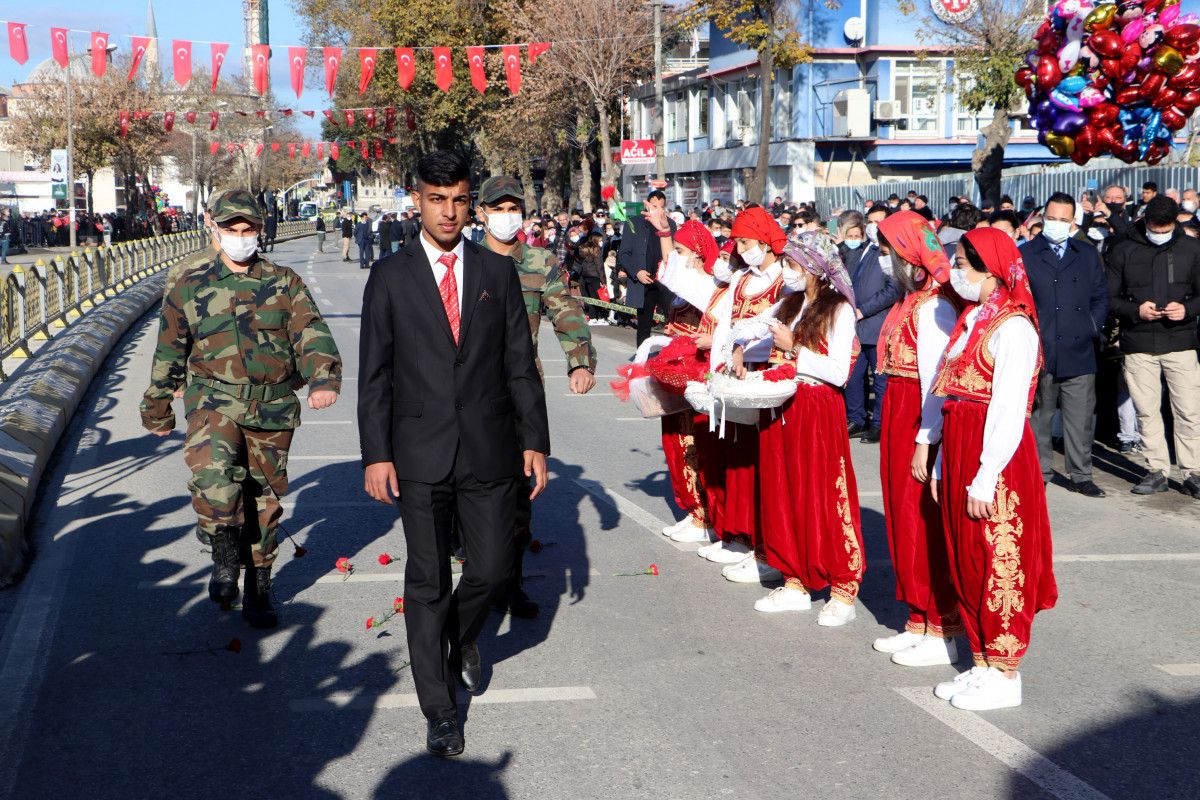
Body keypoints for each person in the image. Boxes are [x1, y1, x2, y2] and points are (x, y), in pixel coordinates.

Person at [358, 151, 550, 758]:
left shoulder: (497, 275)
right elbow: (375, 375)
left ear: (471, 204)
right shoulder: (390, 276)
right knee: (427, 578)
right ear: (417, 200)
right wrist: (376, 454)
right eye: (437, 199)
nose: (449, 211)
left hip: (490, 450)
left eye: (460, 200)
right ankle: (440, 710)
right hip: (418, 452)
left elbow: (520, 365)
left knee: (493, 569)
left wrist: (535, 441)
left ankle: (456, 637)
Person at [139, 189, 342, 631]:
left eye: (248, 228)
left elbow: (310, 332)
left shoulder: (283, 281)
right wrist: (157, 407)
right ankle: (223, 550)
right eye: (231, 228)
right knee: (213, 474)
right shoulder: (190, 284)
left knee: (263, 502)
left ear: (260, 229)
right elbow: (169, 349)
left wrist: (323, 378)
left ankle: (259, 589)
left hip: (271, 408)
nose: (240, 236)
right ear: (213, 226)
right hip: (214, 401)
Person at [930, 227, 1058, 711]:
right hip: (962, 439)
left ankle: (1006, 671)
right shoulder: (974, 320)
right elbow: (953, 396)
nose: (955, 271)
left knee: (999, 556)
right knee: (966, 554)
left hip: (996, 454)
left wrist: (984, 476)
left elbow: (1008, 408)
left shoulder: (1013, 326)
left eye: (962, 263)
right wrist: (943, 460)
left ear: (989, 268)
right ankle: (981, 661)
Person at [474, 175, 596, 619]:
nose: (508, 216)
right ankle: (472, 572)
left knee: (518, 488)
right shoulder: (463, 261)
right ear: (481, 213)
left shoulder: (539, 261)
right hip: (465, 393)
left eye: (514, 207)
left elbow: (565, 311)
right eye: (498, 208)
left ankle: (512, 580)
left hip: (520, 391)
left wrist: (580, 360)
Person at [734, 241, 865, 627]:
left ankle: (843, 587)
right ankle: (794, 580)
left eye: (792, 263)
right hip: (780, 404)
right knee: (781, 491)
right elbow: (755, 328)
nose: (786, 270)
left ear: (814, 267)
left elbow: (840, 372)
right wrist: (741, 347)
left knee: (823, 493)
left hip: (817, 408)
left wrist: (795, 350)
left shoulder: (839, 309)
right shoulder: (790, 302)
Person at [655, 206, 787, 573]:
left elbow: (773, 327)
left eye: (745, 242)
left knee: (761, 463)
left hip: (767, 375)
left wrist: (728, 342)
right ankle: (737, 534)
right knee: (733, 459)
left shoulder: (783, 282)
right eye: (738, 243)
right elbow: (713, 311)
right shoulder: (742, 280)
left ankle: (761, 545)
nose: (741, 250)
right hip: (732, 371)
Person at [872, 210, 963, 663]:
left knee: (922, 520)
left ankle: (941, 625)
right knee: (901, 519)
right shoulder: (909, 301)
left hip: (917, 417)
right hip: (897, 412)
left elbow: (935, 380)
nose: (885, 259)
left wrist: (927, 441)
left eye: (890, 251)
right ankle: (916, 617)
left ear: (910, 254)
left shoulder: (933, 307)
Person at [1106, 195, 1200, 497]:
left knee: (1188, 411)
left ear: (1175, 222)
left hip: (1181, 340)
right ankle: (1156, 469)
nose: (1158, 232)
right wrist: (1136, 311)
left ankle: (1192, 471)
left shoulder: (1192, 249)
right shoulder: (1123, 249)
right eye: (1154, 226)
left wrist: (1187, 309)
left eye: (1165, 227)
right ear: (1145, 219)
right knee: (1147, 411)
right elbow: (1109, 298)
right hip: (1139, 343)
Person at [1022, 192, 1109, 496]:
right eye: (1051, 218)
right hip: (1041, 347)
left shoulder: (1085, 254)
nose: (1056, 224)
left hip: (1079, 347)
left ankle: (1081, 473)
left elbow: (1100, 296)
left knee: (1080, 417)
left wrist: (1092, 327)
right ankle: (1040, 470)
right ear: (1042, 217)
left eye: (1063, 220)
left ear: (1073, 221)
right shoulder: (1026, 254)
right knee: (1040, 416)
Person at [647, 218, 723, 545]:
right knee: (674, 442)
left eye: (682, 251)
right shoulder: (684, 290)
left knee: (693, 445)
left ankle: (704, 513)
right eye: (675, 250)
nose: (677, 256)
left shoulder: (707, 287)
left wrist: (665, 234)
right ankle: (693, 511)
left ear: (699, 252)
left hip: (696, 375)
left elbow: (672, 276)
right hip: (675, 373)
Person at [846, 204, 900, 442]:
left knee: (880, 380)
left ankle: (878, 424)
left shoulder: (891, 254)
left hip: (878, 324)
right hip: (857, 325)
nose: (873, 226)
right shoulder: (866, 249)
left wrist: (863, 310)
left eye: (879, 221)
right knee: (854, 376)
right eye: (870, 221)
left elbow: (892, 290)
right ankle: (857, 419)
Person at [618, 190, 676, 346]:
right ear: (647, 204)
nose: (656, 209)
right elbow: (623, 254)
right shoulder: (633, 223)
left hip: (665, 282)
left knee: (674, 323)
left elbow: (675, 253)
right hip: (643, 281)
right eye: (653, 205)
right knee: (644, 327)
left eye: (660, 207)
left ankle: (672, 359)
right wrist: (637, 271)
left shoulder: (669, 224)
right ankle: (641, 362)